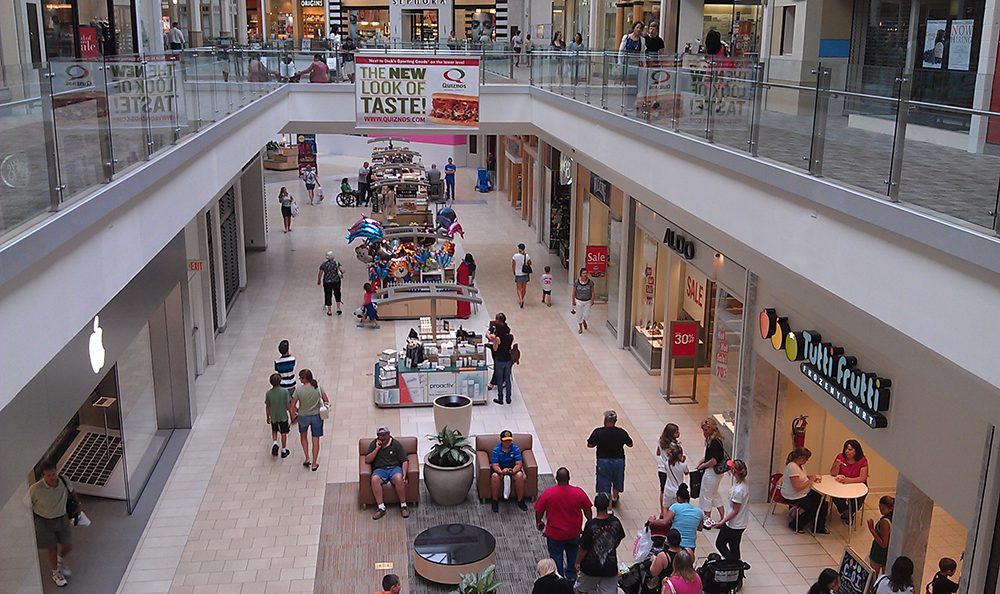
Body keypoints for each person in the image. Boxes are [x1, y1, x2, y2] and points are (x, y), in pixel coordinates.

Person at [534, 467, 593, 584]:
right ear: (569, 478)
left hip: (554, 535)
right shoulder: (578, 492)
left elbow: (538, 511)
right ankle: (571, 580)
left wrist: (539, 522)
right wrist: (589, 523)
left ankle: (559, 581)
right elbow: (588, 510)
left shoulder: (548, 494)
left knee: (556, 558)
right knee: (573, 557)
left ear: (556, 478)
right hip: (574, 534)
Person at [30, 461, 76, 587]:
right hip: (44, 521)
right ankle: (56, 573)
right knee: (52, 548)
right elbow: (27, 504)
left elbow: (72, 492)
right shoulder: (35, 489)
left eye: (53, 474)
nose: (52, 477)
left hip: (61, 518)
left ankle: (59, 561)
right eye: (48, 475)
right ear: (43, 476)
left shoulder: (64, 481)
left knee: (67, 545)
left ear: (56, 471)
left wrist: (78, 506)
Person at [574, 492, 625, 594]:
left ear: (595, 506)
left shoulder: (591, 525)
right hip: (610, 567)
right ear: (608, 505)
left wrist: (578, 562)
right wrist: (610, 548)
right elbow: (618, 539)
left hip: (590, 568)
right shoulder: (615, 522)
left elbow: (584, 548)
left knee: (582, 590)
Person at [587, 410, 633, 506]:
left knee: (604, 481)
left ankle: (608, 505)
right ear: (615, 421)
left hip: (603, 461)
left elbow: (590, 444)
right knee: (617, 478)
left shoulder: (598, 432)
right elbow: (630, 444)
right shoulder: (621, 432)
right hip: (619, 460)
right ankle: (615, 497)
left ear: (605, 420)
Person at [365, 425, 410, 519]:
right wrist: (377, 449)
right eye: (379, 435)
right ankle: (381, 508)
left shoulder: (396, 444)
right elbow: (367, 460)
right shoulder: (374, 444)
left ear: (389, 434)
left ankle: (403, 505)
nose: (382, 437)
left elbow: (404, 461)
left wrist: (404, 475)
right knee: (374, 480)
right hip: (380, 469)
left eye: (384, 435)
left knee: (398, 478)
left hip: (394, 468)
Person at [781, 447, 829, 534]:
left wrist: (811, 477)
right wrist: (810, 480)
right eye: (806, 459)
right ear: (800, 458)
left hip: (802, 492)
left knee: (821, 499)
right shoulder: (792, 467)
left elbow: (802, 478)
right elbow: (797, 487)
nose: (807, 461)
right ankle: (795, 524)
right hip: (793, 495)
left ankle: (819, 526)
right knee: (814, 508)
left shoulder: (800, 466)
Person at [291, 369, 328, 471]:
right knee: (315, 439)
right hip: (317, 417)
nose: (299, 379)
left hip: (303, 417)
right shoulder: (318, 387)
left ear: (304, 379)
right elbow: (326, 400)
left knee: (303, 436)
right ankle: (315, 463)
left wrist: (295, 412)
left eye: (300, 377)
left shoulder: (298, 390)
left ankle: (307, 457)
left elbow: (292, 405)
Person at [713, 459, 749, 560]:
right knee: (734, 547)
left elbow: (735, 510)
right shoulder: (742, 483)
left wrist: (722, 522)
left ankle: (734, 564)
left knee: (720, 544)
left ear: (733, 471)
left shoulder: (739, 490)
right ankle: (735, 566)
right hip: (738, 523)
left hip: (734, 524)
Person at [694, 417, 727, 523]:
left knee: (706, 495)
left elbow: (713, 461)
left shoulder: (714, 442)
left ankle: (706, 519)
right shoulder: (713, 440)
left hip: (712, 472)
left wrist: (702, 466)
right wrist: (701, 461)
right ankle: (723, 517)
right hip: (715, 473)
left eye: (706, 429)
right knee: (714, 494)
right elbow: (709, 456)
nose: (704, 432)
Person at [830, 438, 869, 523]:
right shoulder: (840, 457)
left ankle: (850, 512)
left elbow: (862, 478)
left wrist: (849, 480)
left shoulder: (862, 460)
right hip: (841, 484)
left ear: (856, 451)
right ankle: (845, 511)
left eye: (850, 449)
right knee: (835, 495)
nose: (847, 451)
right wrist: (837, 465)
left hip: (856, 484)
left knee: (858, 498)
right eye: (846, 449)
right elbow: (833, 473)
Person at [489, 430, 528, 512]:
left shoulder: (515, 448)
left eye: (509, 440)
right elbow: (495, 465)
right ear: (501, 440)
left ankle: (520, 500)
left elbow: (518, 463)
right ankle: (495, 501)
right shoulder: (496, 450)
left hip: (512, 469)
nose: (507, 443)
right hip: (500, 470)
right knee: (495, 477)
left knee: (520, 476)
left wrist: (513, 471)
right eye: (505, 441)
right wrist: (501, 471)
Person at [661, 483, 703, 551]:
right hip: (690, 546)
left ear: (678, 497)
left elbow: (664, 522)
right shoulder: (699, 512)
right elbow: (700, 528)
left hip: (674, 544)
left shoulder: (675, 507)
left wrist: (652, 521)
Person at [645, 529, 683, 593]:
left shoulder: (663, 556)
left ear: (667, 541)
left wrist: (654, 560)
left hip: (666, 585)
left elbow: (653, 573)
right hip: (682, 583)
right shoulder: (687, 552)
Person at [264, 373, 292, 458]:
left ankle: (275, 442)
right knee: (284, 432)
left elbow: (267, 406)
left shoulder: (268, 393)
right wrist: (291, 414)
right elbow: (288, 405)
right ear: (280, 381)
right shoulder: (285, 391)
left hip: (274, 416)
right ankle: (284, 450)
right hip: (283, 415)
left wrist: (268, 416)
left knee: (274, 430)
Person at [867, 495, 895, 575]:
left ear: (890, 509)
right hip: (887, 553)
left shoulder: (884, 523)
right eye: (879, 507)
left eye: (883, 509)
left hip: (879, 552)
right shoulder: (893, 517)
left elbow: (883, 544)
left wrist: (872, 530)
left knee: (873, 576)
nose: (880, 511)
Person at [488, 321, 514, 404]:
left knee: (499, 380)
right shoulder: (510, 337)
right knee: (507, 379)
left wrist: (493, 340)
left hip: (500, 360)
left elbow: (495, 349)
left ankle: (500, 398)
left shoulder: (498, 338)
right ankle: (508, 398)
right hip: (508, 359)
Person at [661, 443, 688, 515]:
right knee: (677, 510)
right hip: (678, 490)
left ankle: (665, 521)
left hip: (668, 489)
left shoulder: (667, 463)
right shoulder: (683, 465)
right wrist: (683, 461)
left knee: (665, 507)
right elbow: (686, 472)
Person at [656, 423, 681, 496]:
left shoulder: (661, 441)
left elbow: (658, 453)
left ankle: (662, 506)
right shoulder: (674, 445)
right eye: (676, 432)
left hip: (661, 468)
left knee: (663, 490)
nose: (679, 434)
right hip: (671, 469)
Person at [318, 252, 344, 316]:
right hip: (336, 281)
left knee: (328, 295)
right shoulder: (336, 263)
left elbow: (320, 273)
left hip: (327, 282)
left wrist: (319, 280)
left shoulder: (324, 264)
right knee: (337, 293)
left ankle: (329, 311)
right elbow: (343, 270)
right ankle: (338, 308)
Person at [571, 268, 594, 334]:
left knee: (587, 314)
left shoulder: (590, 282)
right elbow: (574, 291)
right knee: (579, 314)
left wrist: (592, 299)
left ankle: (584, 320)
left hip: (587, 301)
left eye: (586, 273)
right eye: (583, 273)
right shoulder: (576, 282)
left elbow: (592, 292)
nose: (585, 274)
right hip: (579, 300)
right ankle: (580, 327)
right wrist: (573, 301)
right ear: (581, 274)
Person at [512, 242, 532, 308]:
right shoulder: (527, 256)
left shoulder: (515, 256)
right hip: (525, 273)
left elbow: (513, 265)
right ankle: (522, 299)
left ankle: (521, 300)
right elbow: (530, 263)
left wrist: (514, 272)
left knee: (518, 288)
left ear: (519, 248)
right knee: (524, 288)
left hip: (518, 273)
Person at [456, 253, 475, 318]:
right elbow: (472, 276)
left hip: (461, 285)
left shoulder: (463, 265)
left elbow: (458, 272)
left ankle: (461, 313)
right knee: (465, 300)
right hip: (465, 284)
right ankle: (465, 313)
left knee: (462, 300)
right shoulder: (472, 266)